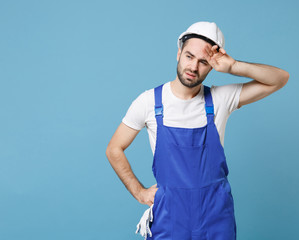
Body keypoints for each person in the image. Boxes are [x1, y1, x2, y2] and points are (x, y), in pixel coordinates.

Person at [106, 21, 289, 240]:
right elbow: (114, 148)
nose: (193, 67)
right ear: (178, 54)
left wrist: (233, 66)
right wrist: (139, 191)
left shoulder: (221, 99)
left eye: (203, 62)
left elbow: (279, 79)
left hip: (216, 218)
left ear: (212, 65)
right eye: (189, 56)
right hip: (169, 219)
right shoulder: (149, 103)